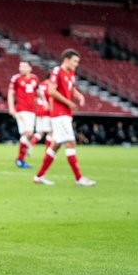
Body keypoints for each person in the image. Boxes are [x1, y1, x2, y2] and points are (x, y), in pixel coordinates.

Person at [33, 49, 96, 186]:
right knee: (71, 142)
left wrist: (79, 95)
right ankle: (79, 178)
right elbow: (51, 91)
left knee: (56, 145)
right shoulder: (57, 71)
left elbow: (71, 88)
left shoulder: (71, 72)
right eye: (75, 61)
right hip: (59, 113)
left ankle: (39, 176)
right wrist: (69, 102)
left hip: (66, 113)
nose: (76, 64)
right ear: (66, 59)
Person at [7, 60, 40, 169]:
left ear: (30, 68)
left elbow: (38, 93)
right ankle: (20, 160)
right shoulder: (16, 78)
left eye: (24, 66)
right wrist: (12, 108)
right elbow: (10, 93)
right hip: (21, 110)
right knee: (28, 132)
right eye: (20, 66)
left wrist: (43, 103)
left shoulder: (35, 79)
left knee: (28, 134)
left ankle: (22, 157)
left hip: (32, 111)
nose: (21, 68)